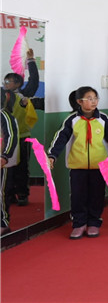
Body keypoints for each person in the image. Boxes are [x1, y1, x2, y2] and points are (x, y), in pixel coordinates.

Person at [47, 87, 108, 239]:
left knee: (97, 195)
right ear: (79, 101)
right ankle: (79, 224)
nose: (93, 101)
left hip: (99, 166)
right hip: (77, 167)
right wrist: (52, 156)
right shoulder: (72, 120)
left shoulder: (103, 119)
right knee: (78, 196)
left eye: (95, 98)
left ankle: (94, 222)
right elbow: (60, 138)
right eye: (89, 98)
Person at [2, 48, 39, 207]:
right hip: (6, 139)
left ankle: (22, 194)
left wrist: (31, 60)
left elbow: (34, 81)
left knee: (22, 167)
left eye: (8, 82)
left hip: (22, 138)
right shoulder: (1, 95)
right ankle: (9, 194)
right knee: (7, 168)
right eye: (4, 82)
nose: (5, 84)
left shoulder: (24, 95)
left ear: (17, 83)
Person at [1, 90, 20, 235]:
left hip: (1, 161)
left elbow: (11, 136)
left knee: (1, 192)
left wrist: (4, 156)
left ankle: (3, 223)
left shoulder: (4, 116)